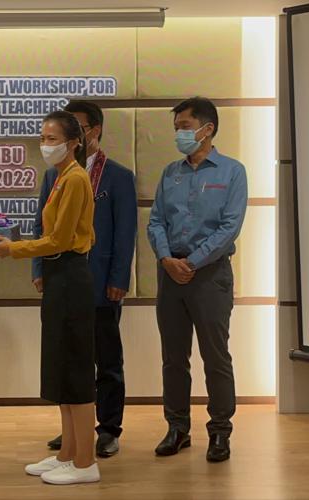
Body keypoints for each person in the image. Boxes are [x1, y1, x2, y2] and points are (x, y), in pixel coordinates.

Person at [0, 111, 99, 485]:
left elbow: (61, 240)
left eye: (52, 139)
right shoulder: (59, 177)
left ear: (74, 143)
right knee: (62, 369)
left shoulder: (76, 178)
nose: (45, 145)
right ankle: (68, 454)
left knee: (77, 371)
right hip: (58, 276)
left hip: (70, 276)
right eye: (42, 138)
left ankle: (86, 462)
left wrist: (14, 249)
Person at [33, 101, 137, 458]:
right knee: (69, 360)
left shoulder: (118, 176)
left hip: (102, 281)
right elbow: (41, 225)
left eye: (76, 127)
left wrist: (119, 277)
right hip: (63, 281)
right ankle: (73, 432)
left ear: (93, 131)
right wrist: (38, 269)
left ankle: (107, 428)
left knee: (106, 359)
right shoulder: (54, 174)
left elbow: (125, 233)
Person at [147, 96, 248, 463]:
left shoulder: (232, 172)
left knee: (215, 357)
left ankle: (220, 431)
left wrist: (191, 262)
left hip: (210, 276)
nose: (179, 134)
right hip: (170, 274)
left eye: (185, 127)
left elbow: (229, 227)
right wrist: (166, 259)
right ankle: (177, 428)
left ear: (208, 129)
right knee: (173, 358)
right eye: (176, 128)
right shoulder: (170, 172)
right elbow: (156, 221)